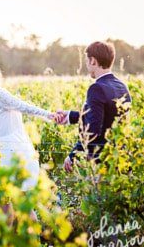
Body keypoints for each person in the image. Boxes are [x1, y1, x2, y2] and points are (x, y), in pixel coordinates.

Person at [0, 63, 56, 190]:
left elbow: (23, 106)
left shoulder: (0, 94)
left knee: (5, 196)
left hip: (14, 149)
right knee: (13, 199)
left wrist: (49, 115)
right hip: (10, 148)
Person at [52, 41, 131, 172]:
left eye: (87, 62)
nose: (87, 66)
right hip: (120, 157)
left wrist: (73, 155)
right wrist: (69, 116)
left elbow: (92, 130)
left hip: (101, 162)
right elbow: (105, 117)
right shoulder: (122, 86)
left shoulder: (96, 88)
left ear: (93, 61)